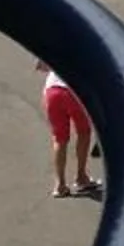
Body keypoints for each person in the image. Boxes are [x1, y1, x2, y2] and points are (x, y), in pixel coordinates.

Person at [38, 58, 95, 198]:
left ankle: (60, 185)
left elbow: (41, 66)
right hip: (74, 93)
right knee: (84, 132)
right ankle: (81, 177)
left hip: (52, 92)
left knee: (60, 139)